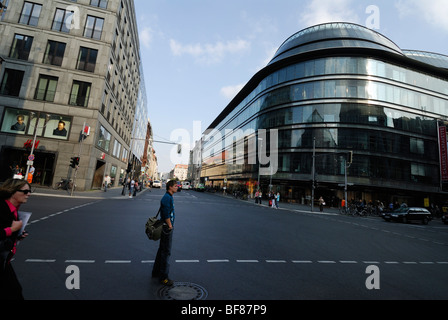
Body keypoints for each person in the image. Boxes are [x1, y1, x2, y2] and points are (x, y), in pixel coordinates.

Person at [0, 179, 31, 300]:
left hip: (4, 260)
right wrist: (12, 230)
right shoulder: (2, 208)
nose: (28, 194)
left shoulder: (14, 210)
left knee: (14, 291)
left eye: (29, 191)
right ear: (12, 192)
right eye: (25, 191)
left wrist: (17, 235)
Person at [152, 180, 178, 286]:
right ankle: (164, 278)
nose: (177, 187)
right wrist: (170, 225)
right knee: (166, 252)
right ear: (170, 187)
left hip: (165, 227)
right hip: (166, 228)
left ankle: (156, 272)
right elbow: (165, 213)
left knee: (161, 250)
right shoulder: (167, 198)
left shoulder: (169, 196)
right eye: (176, 186)